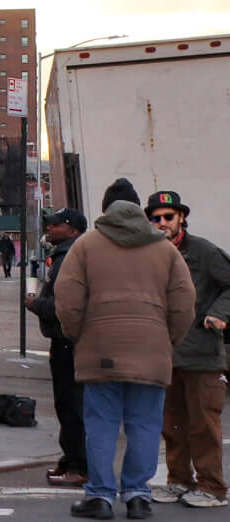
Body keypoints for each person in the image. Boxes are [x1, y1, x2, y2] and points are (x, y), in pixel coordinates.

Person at [53, 178, 195, 521]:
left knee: (100, 424)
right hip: (151, 350)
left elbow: (67, 300)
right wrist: (166, 340)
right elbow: (184, 303)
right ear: (139, 210)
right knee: (145, 425)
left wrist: (80, 337)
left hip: (100, 349)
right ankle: (137, 495)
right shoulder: (165, 250)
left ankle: (100, 496)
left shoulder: (85, 246)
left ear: (105, 209)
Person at [144, 190, 230, 509]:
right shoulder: (150, 253)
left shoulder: (204, 251)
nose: (162, 222)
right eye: (156, 218)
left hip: (202, 354)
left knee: (203, 425)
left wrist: (220, 313)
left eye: (169, 216)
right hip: (165, 354)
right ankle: (179, 480)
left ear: (181, 218)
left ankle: (213, 486)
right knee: (171, 423)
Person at [26, 207, 90, 488]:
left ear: (73, 229)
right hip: (64, 341)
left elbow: (67, 305)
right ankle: (70, 460)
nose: (49, 228)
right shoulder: (66, 254)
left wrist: (35, 304)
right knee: (66, 404)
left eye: (56, 225)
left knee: (72, 405)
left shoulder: (71, 257)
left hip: (69, 342)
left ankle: (78, 465)